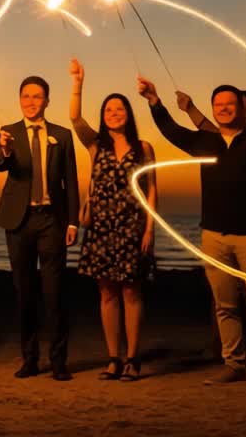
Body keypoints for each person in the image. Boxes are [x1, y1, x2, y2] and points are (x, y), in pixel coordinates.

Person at [138, 77, 246, 389]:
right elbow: (172, 131)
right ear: (213, 109)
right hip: (213, 234)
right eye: (218, 105)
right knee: (225, 306)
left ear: (242, 110)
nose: (223, 109)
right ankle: (233, 364)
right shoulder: (206, 141)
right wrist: (155, 101)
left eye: (229, 104)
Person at [68, 59, 156, 382]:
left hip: (132, 225)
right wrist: (78, 82)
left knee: (132, 292)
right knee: (106, 293)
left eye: (119, 109)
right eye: (108, 110)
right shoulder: (96, 146)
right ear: (104, 117)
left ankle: (133, 358)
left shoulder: (143, 147)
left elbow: (152, 190)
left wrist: (149, 228)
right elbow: (75, 118)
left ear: (128, 114)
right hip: (101, 226)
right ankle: (113, 358)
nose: (114, 113)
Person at [0, 76, 80, 381]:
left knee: (54, 293)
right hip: (18, 221)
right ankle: (29, 359)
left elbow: (70, 180)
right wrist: (5, 150)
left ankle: (59, 361)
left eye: (37, 96)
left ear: (47, 100)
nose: (31, 101)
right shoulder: (8, 133)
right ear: (19, 99)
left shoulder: (62, 135)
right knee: (24, 293)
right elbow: (0, 166)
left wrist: (72, 221)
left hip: (51, 220)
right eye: (26, 96)